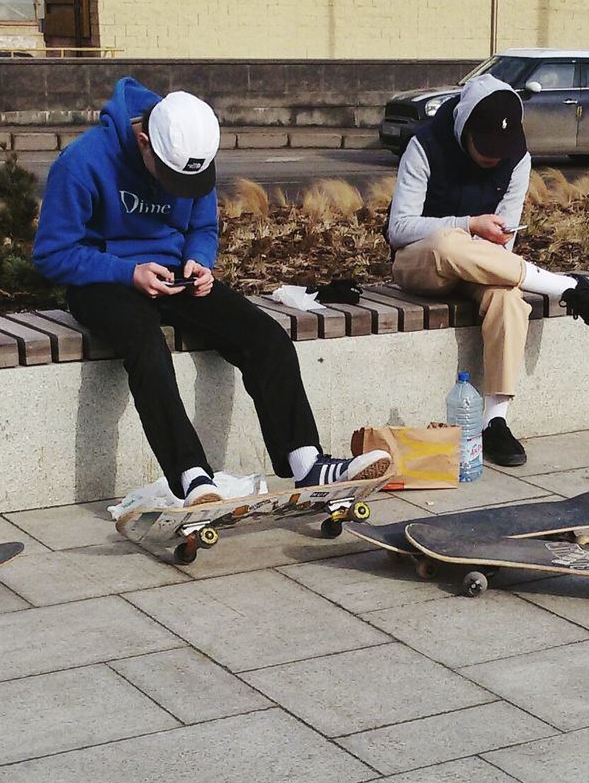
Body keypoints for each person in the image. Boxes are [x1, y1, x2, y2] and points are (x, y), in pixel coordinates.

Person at [34, 78, 390, 505]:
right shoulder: (81, 163)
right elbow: (53, 254)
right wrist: (127, 273)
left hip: (175, 275)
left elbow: (202, 227)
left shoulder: (193, 157)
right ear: (144, 141)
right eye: (166, 177)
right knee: (147, 346)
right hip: (102, 281)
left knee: (264, 337)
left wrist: (200, 260)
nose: (174, 189)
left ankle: (306, 463)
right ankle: (192, 478)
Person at [386, 74, 589, 468]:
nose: (494, 157)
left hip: (480, 266)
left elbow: (505, 244)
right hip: (421, 263)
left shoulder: (518, 158)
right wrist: (468, 224)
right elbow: (399, 228)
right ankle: (562, 287)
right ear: (464, 128)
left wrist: (482, 238)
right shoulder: (424, 146)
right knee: (447, 242)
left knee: (509, 298)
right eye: (485, 147)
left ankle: (495, 421)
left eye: (502, 149)